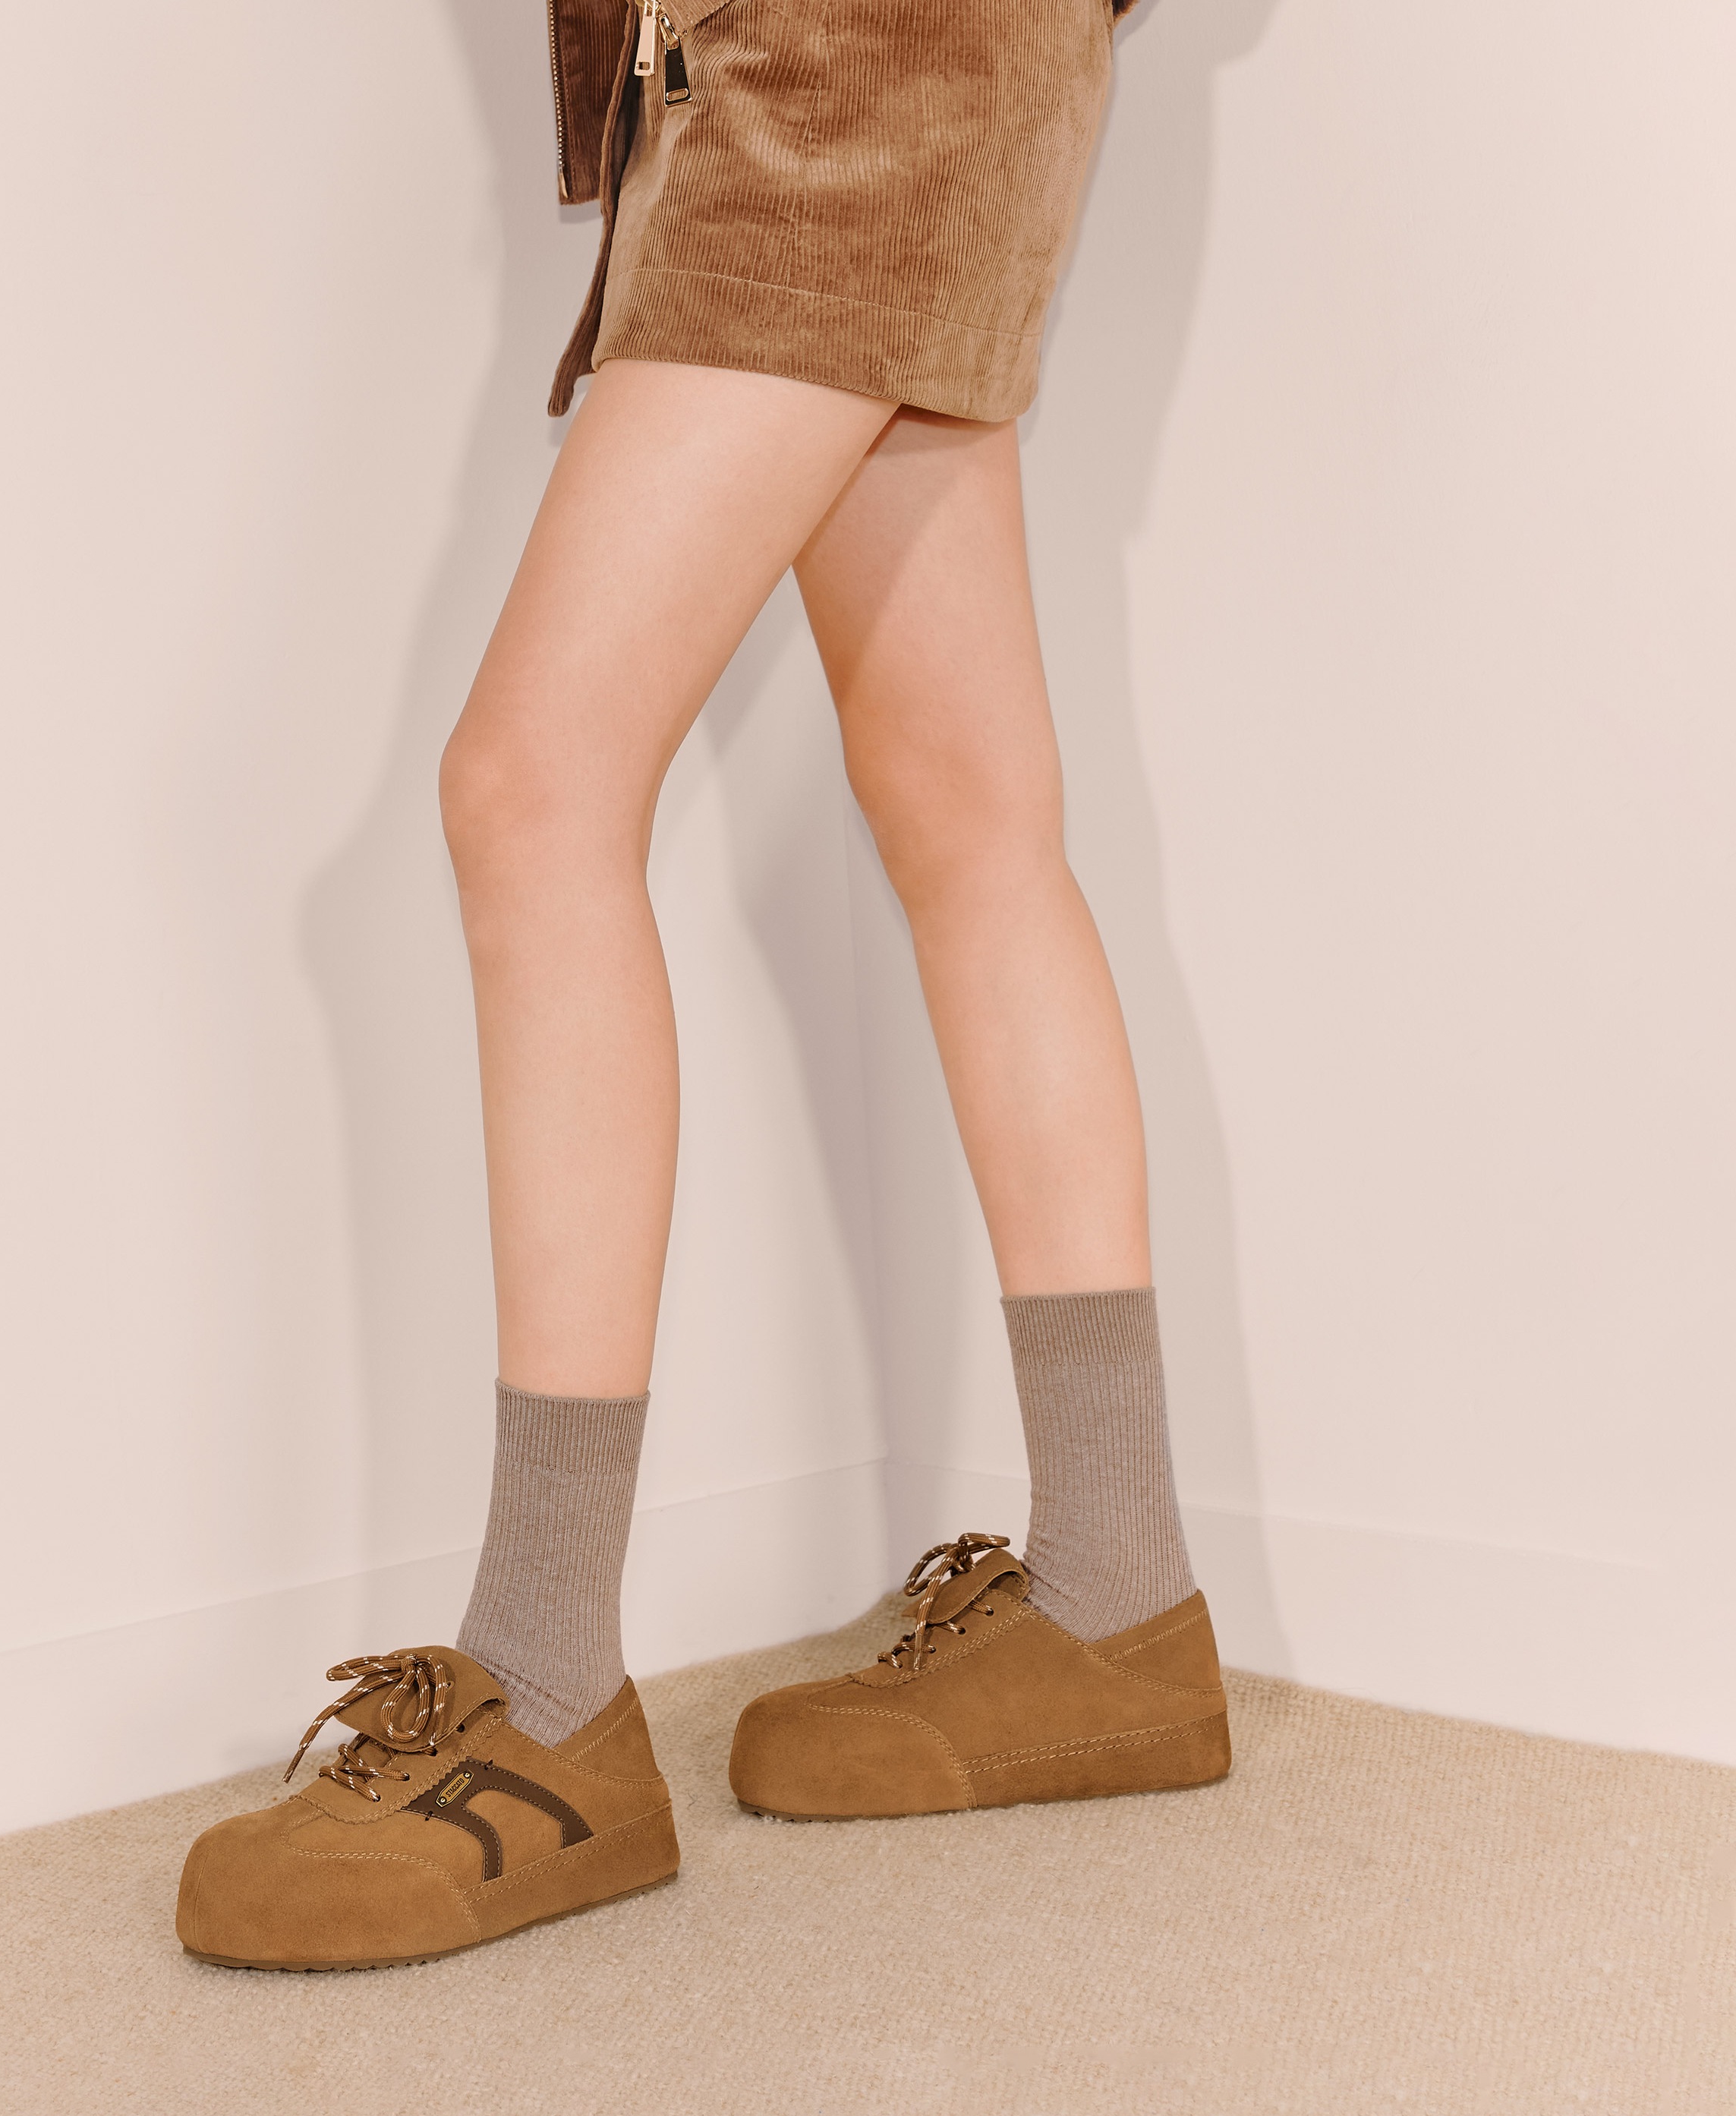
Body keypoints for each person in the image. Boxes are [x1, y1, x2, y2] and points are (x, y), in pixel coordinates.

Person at [175, 0, 1230, 1970]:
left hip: (847, 63)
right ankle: (1118, 1598)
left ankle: (546, 1692)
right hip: (879, 61)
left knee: (532, 793)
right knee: (971, 817)